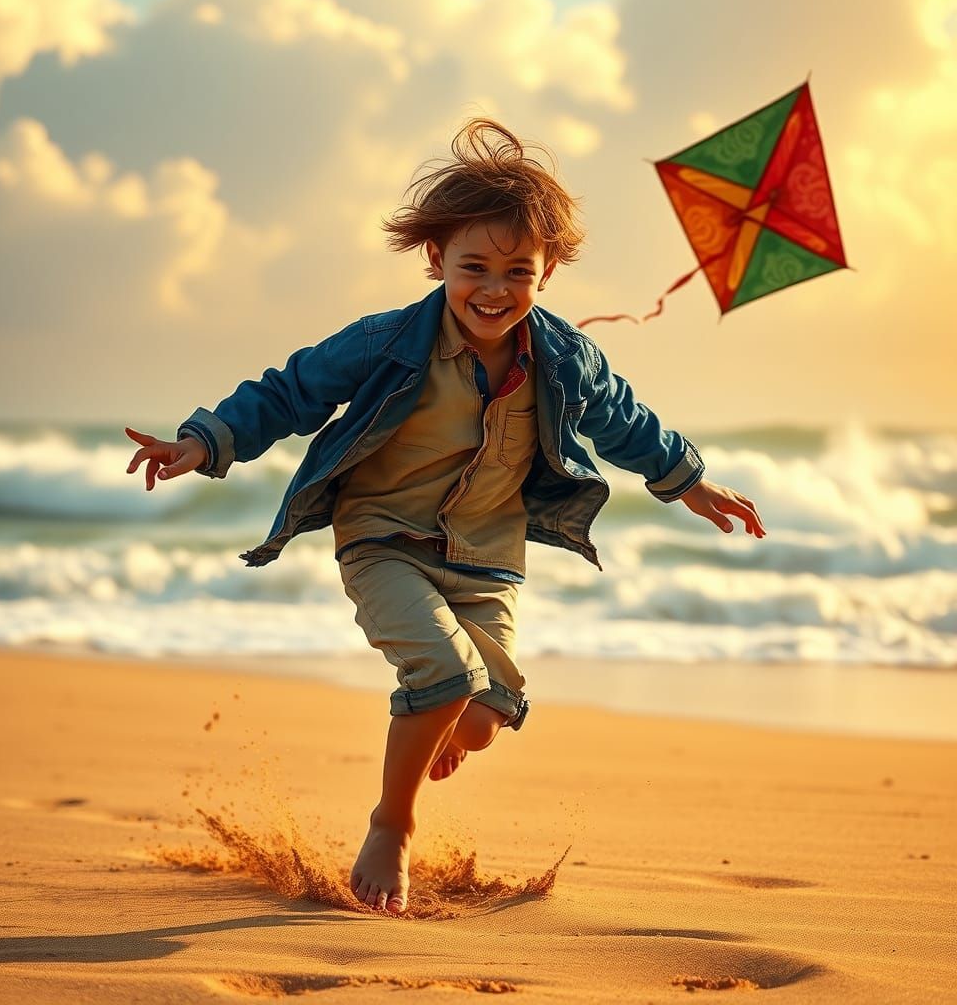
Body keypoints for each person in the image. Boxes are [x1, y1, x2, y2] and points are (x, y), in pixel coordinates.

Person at [125, 119, 765, 916]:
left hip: (490, 554)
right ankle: (392, 825)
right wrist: (203, 440)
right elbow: (289, 392)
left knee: (486, 715)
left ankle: (443, 723)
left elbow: (626, 421)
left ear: (549, 271)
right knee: (445, 678)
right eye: (473, 268)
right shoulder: (387, 341)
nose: (493, 289)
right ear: (436, 260)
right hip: (384, 540)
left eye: (516, 272)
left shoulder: (567, 357)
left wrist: (692, 483)